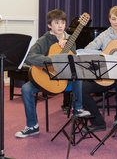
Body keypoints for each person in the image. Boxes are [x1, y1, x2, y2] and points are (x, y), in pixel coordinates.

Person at [15, 9, 90, 138]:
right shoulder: (44, 40)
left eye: (62, 22)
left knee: (78, 72)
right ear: (50, 25)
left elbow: (72, 60)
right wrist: (52, 61)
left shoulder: (70, 39)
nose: (60, 25)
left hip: (64, 79)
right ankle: (32, 126)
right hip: (48, 77)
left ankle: (77, 108)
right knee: (26, 89)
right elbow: (29, 57)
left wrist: (67, 47)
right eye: (56, 23)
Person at [82, 5, 117, 132]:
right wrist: (102, 54)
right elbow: (88, 49)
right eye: (113, 19)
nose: (116, 22)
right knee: (82, 89)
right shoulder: (104, 35)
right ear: (109, 19)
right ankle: (98, 122)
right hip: (107, 75)